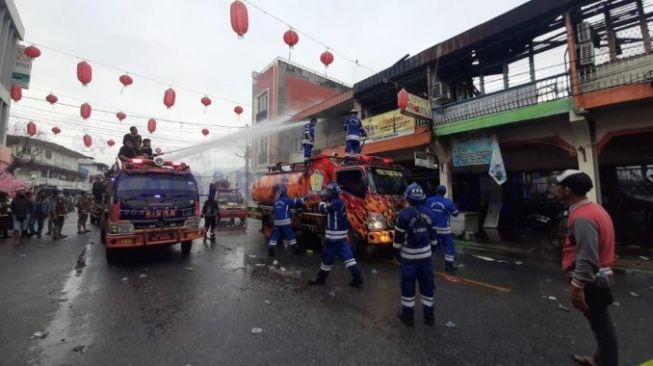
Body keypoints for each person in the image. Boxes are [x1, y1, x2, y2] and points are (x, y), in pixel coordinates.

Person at [550, 170, 618, 366]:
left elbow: (587, 257)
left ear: (568, 190)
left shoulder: (582, 217)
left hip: (591, 280)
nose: (555, 190)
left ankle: (606, 362)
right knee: (600, 326)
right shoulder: (592, 209)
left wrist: (576, 287)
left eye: (558, 187)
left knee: (603, 329)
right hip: (597, 276)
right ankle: (598, 359)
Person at [393, 183, 438, 327]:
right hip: (425, 258)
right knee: (427, 285)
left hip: (409, 259)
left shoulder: (404, 214)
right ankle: (429, 317)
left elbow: (398, 238)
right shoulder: (430, 213)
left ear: (408, 197)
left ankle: (408, 317)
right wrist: (433, 252)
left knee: (407, 286)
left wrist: (396, 253)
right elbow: (434, 237)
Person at [308, 183, 363, 288]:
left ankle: (320, 279)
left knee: (326, 260)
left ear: (332, 193)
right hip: (342, 239)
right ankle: (357, 278)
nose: (327, 193)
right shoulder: (339, 202)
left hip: (333, 239)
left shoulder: (335, 203)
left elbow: (322, 209)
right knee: (349, 259)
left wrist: (322, 200)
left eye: (328, 191)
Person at [426, 185, 460, 272]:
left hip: (432, 228)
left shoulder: (429, 200)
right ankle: (449, 266)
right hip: (445, 230)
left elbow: (424, 211)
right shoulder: (448, 202)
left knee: (431, 246)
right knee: (449, 246)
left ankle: (426, 265)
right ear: (445, 192)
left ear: (436, 191)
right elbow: (456, 214)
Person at [268, 185, 304, 257]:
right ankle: (296, 250)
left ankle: (270, 249)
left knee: (275, 236)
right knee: (290, 235)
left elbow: (276, 211)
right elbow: (298, 201)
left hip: (277, 222)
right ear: (285, 192)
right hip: (285, 222)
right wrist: (304, 198)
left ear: (280, 193)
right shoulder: (288, 199)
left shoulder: (276, 202)